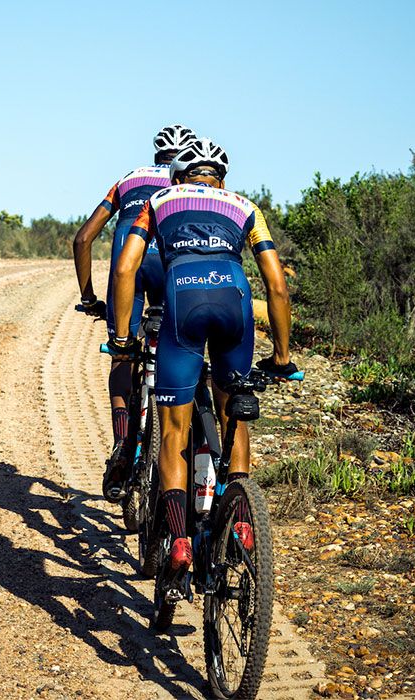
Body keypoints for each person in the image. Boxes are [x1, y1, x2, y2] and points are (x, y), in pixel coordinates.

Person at [109, 137, 297, 580]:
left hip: (181, 303)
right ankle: (242, 525)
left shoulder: (158, 200)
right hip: (234, 303)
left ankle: (178, 543)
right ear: (222, 178)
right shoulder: (244, 205)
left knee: (174, 433)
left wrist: (121, 339)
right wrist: (283, 357)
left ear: (179, 176)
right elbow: (276, 285)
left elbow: (124, 268)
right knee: (235, 411)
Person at [71, 124, 198, 502]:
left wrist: (91, 297)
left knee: (122, 357)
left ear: (155, 152)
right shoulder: (190, 185)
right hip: (176, 270)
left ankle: (124, 447)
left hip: (129, 265)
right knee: (186, 351)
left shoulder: (128, 180)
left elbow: (82, 238)